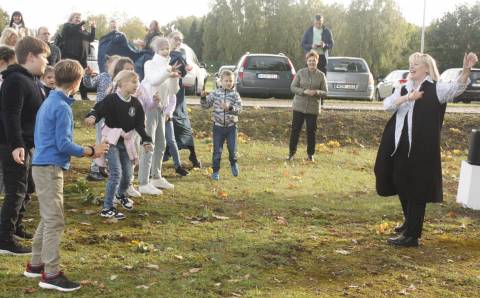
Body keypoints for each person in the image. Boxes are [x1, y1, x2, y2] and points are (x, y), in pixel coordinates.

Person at [374, 52, 478, 247]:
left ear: (427, 69)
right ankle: (409, 222)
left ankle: (412, 235)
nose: (412, 67)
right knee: (399, 181)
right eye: (410, 63)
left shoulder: (436, 88)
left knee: (416, 187)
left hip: (421, 149)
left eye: (416, 64)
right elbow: (386, 105)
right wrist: (407, 98)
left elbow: (457, 88)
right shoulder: (403, 87)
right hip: (399, 145)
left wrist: (465, 70)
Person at [23, 59, 109, 292]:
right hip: (49, 167)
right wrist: (91, 151)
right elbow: (63, 144)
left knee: (49, 216)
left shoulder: (51, 100)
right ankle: (50, 274)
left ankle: (35, 264)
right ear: (77, 82)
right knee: (54, 221)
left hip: (43, 165)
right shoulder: (61, 107)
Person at [0, 36, 50, 255]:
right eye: (44, 58)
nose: (46, 63)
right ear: (30, 56)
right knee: (16, 190)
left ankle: (16, 226)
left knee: (27, 186)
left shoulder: (29, 79)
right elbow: (11, 115)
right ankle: (4, 239)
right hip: (11, 144)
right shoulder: (15, 80)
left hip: (24, 144)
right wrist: (16, 144)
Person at [85, 70, 153, 219]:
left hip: (127, 143)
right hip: (111, 141)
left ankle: (121, 194)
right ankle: (107, 208)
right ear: (121, 83)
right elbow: (97, 110)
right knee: (116, 173)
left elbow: (140, 125)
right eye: (133, 82)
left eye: (137, 82)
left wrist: (146, 140)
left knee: (128, 176)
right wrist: (92, 117)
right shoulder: (111, 99)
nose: (137, 85)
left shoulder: (136, 104)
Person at [137, 37, 181, 195]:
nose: (165, 50)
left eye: (167, 48)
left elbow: (173, 91)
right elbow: (154, 80)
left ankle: (156, 176)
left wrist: (174, 79)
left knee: (161, 144)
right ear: (156, 50)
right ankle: (143, 181)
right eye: (162, 48)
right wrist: (168, 72)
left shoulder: (168, 67)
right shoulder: (150, 64)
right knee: (149, 143)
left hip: (161, 108)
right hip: (150, 107)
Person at [167, 31, 202, 168]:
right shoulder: (162, 53)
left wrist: (186, 67)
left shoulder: (180, 53)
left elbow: (183, 70)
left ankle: (192, 155)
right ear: (169, 39)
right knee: (166, 125)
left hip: (178, 93)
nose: (178, 42)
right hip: (165, 91)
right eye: (176, 39)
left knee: (183, 123)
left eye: (180, 40)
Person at [83, 54, 121, 181]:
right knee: (100, 140)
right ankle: (95, 169)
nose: (116, 67)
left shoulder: (121, 79)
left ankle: (107, 167)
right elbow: (89, 84)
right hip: (101, 115)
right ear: (108, 65)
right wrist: (87, 75)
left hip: (115, 116)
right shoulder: (103, 77)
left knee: (111, 141)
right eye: (114, 64)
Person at [200, 70, 242, 180]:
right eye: (226, 81)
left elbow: (239, 110)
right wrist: (203, 97)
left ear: (233, 82)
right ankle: (215, 171)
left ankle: (233, 163)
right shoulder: (215, 93)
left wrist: (230, 108)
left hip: (231, 127)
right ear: (221, 81)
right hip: (218, 127)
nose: (228, 83)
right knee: (217, 151)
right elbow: (205, 106)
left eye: (231, 81)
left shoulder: (235, 95)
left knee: (232, 150)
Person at [287, 50, 327, 162]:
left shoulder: (321, 75)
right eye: (309, 61)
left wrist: (317, 92)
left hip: (312, 108)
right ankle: (291, 153)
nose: (311, 63)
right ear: (306, 61)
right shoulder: (300, 73)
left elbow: (326, 92)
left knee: (311, 131)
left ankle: (310, 154)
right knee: (295, 130)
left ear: (317, 61)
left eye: (313, 61)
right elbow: (292, 87)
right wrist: (304, 91)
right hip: (299, 106)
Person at [60, 12, 96, 100]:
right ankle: (70, 95)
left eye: (79, 17)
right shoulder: (67, 26)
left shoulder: (82, 29)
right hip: (71, 57)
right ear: (71, 18)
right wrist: (82, 23)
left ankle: (84, 96)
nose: (78, 19)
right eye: (76, 17)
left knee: (82, 76)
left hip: (82, 58)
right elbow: (72, 30)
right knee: (72, 75)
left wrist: (93, 28)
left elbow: (91, 38)